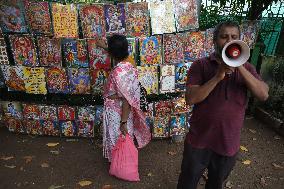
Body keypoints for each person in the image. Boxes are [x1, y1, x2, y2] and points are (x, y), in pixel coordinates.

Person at [177, 21, 269, 189]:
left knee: (216, 184)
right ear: (215, 41)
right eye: (224, 37)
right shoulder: (201, 65)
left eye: (234, 37)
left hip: (228, 143)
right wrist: (217, 77)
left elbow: (263, 94)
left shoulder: (247, 67)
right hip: (199, 140)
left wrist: (239, 65)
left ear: (239, 41)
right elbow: (190, 98)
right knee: (187, 182)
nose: (229, 41)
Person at [96, 34, 151, 162]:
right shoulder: (128, 63)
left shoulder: (119, 72)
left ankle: (120, 162)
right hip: (121, 110)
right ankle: (122, 161)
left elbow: (126, 98)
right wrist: (104, 46)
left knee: (118, 135)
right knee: (123, 136)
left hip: (118, 112)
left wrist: (123, 122)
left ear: (113, 54)